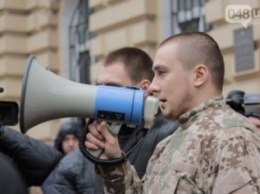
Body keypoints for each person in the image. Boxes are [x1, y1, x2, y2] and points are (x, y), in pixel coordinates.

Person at [86, 32, 260, 193]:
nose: (153, 86)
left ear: (199, 75)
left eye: (162, 73)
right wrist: (113, 162)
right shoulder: (168, 143)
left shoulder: (233, 138)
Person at [42, 47, 179, 194]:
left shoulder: (170, 135)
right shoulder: (102, 139)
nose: (102, 94)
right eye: (100, 86)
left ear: (144, 89)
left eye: (112, 87)